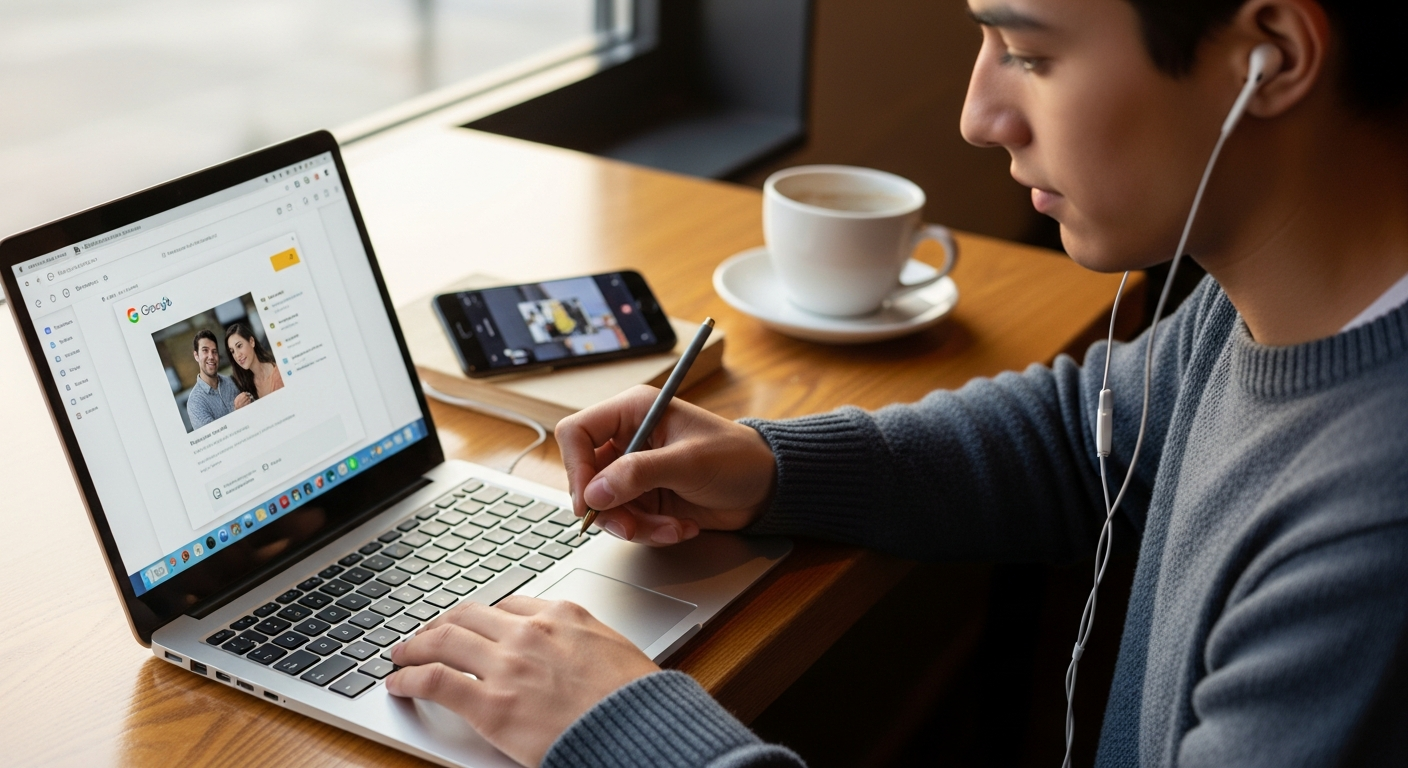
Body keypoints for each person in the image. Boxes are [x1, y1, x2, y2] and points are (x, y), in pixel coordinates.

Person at [382, 0, 1408, 766]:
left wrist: (621, 730)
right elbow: (1081, 436)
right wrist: (771, 467)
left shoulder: (1369, 530)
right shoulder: (1269, 295)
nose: (977, 113)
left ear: (1268, 57)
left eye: (1028, 53)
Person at [185, 329, 250, 430]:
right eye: (205, 350)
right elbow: (214, 440)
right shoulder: (195, 403)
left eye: (214, 351)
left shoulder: (231, 381)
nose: (211, 356)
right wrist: (236, 411)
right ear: (196, 356)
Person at [225, 322, 283, 401]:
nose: (237, 355)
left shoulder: (279, 375)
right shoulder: (244, 384)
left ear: (251, 341)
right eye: (232, 351)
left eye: (239, 346)